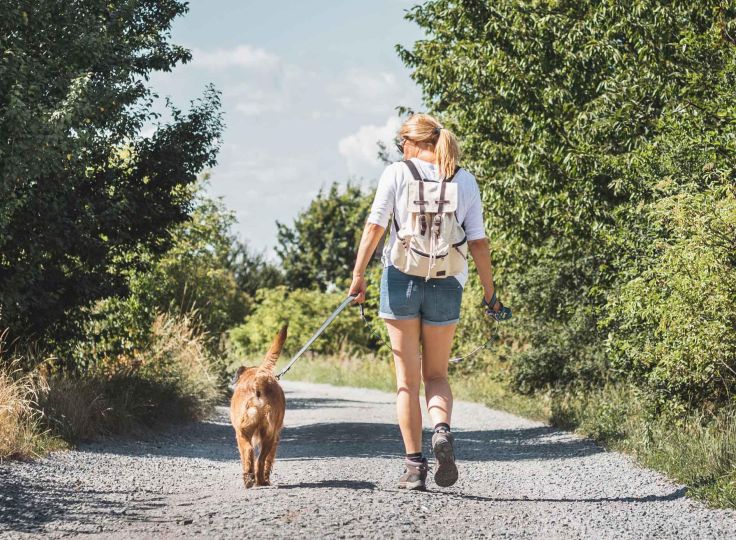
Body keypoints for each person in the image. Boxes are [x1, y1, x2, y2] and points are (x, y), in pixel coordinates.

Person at [348, 113, 504, 491]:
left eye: (402, 142)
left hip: (400, 279)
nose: (400, 149)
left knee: (407, 382)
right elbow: (479, 242)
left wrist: (358, 276)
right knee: (437, 375)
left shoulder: (397, 173)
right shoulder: (464, 180)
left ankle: (415, 468)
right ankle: (442, 431)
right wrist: (490, 294)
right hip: (447, 282)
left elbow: (375, 226)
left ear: (414, 143)